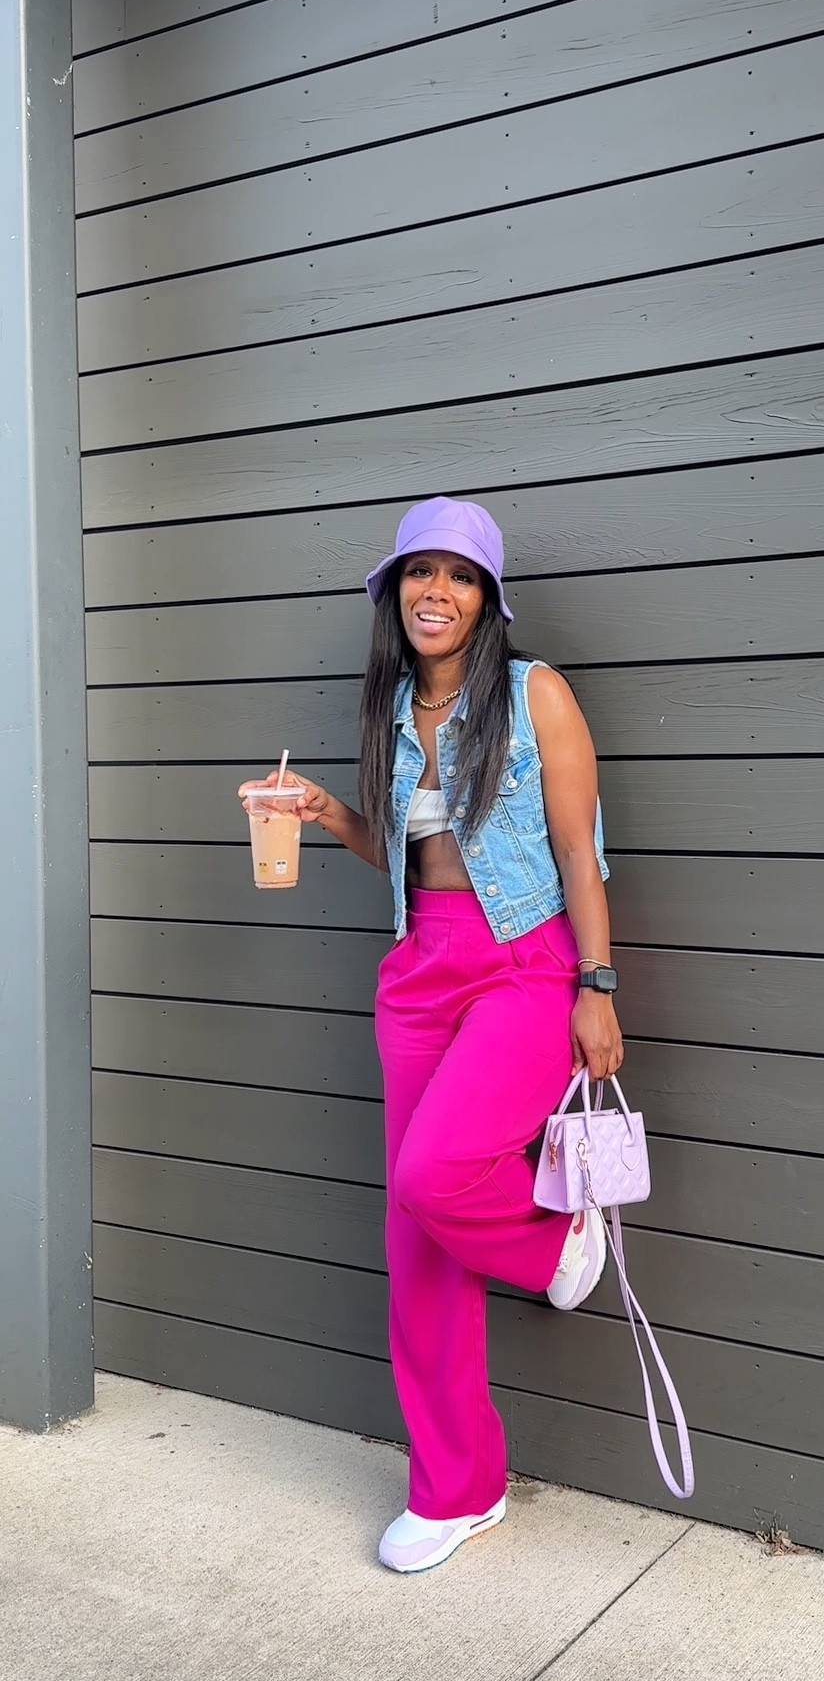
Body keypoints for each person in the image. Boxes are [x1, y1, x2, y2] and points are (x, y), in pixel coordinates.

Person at [240, 496, 623, 1574]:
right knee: (415, 1243)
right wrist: (323, 812)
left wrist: (596, 984)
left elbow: (579, 851)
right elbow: (406, 859)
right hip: (420, 970)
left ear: (488, 599)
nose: (435, 592)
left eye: (458, 575)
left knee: (439, 1174)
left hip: (524, 958)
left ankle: (559, 1242)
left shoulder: (536, 694)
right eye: (418, 573)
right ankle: (458, 1489)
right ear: (393, 593)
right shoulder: (392, 706)